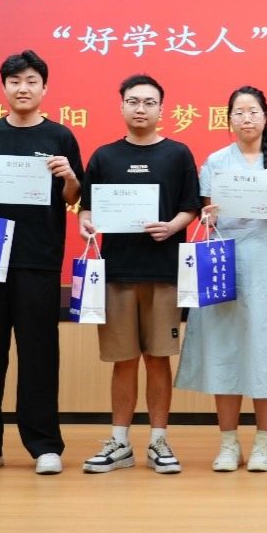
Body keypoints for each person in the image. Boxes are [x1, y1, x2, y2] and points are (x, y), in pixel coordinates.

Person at [0, 50, 83, 475]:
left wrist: (69, 177)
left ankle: (44, 445)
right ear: (4, 87)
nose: (23, 88)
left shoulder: (61, 136)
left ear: (44, 88)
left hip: (39, 258)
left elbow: (73, 197)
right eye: (15, 81)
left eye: (31, 81)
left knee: (39, 353)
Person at [175, 85, 267, 472]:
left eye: (253, 112)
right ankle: (228, 443)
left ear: (266, 117)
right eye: (239, 112)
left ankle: (264, 443)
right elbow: (206, 214)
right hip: (226, 263)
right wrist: (209, 215)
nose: (246, 118)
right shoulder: (216, 162)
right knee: (226, 348)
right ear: (229, 119)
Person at [77, 74, 200, 475]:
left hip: (164, 272)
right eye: (133, 101)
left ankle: (159, 441)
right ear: (122, 107)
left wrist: (172, 226)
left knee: (159, 359)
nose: (141, 108)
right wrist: (85, 223)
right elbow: (86, 207)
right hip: (117, 273)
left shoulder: (178, 154)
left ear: (162, 109)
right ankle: (120, 442)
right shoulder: (104, 156)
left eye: (149, 102)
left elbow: (190, 206)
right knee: (124, 359)